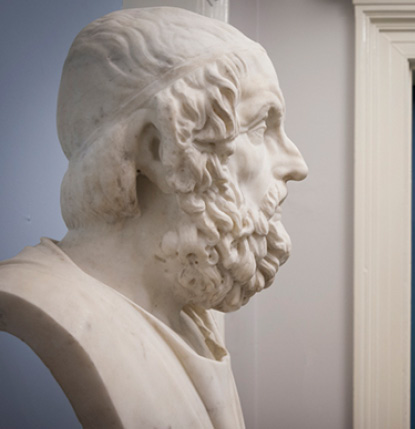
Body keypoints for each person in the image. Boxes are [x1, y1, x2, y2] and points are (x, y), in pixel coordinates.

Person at [0, 7, 307, 428]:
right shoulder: (37, 306)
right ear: (156, 149)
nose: (296, 163)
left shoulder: (191, 321)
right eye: (258, 127)